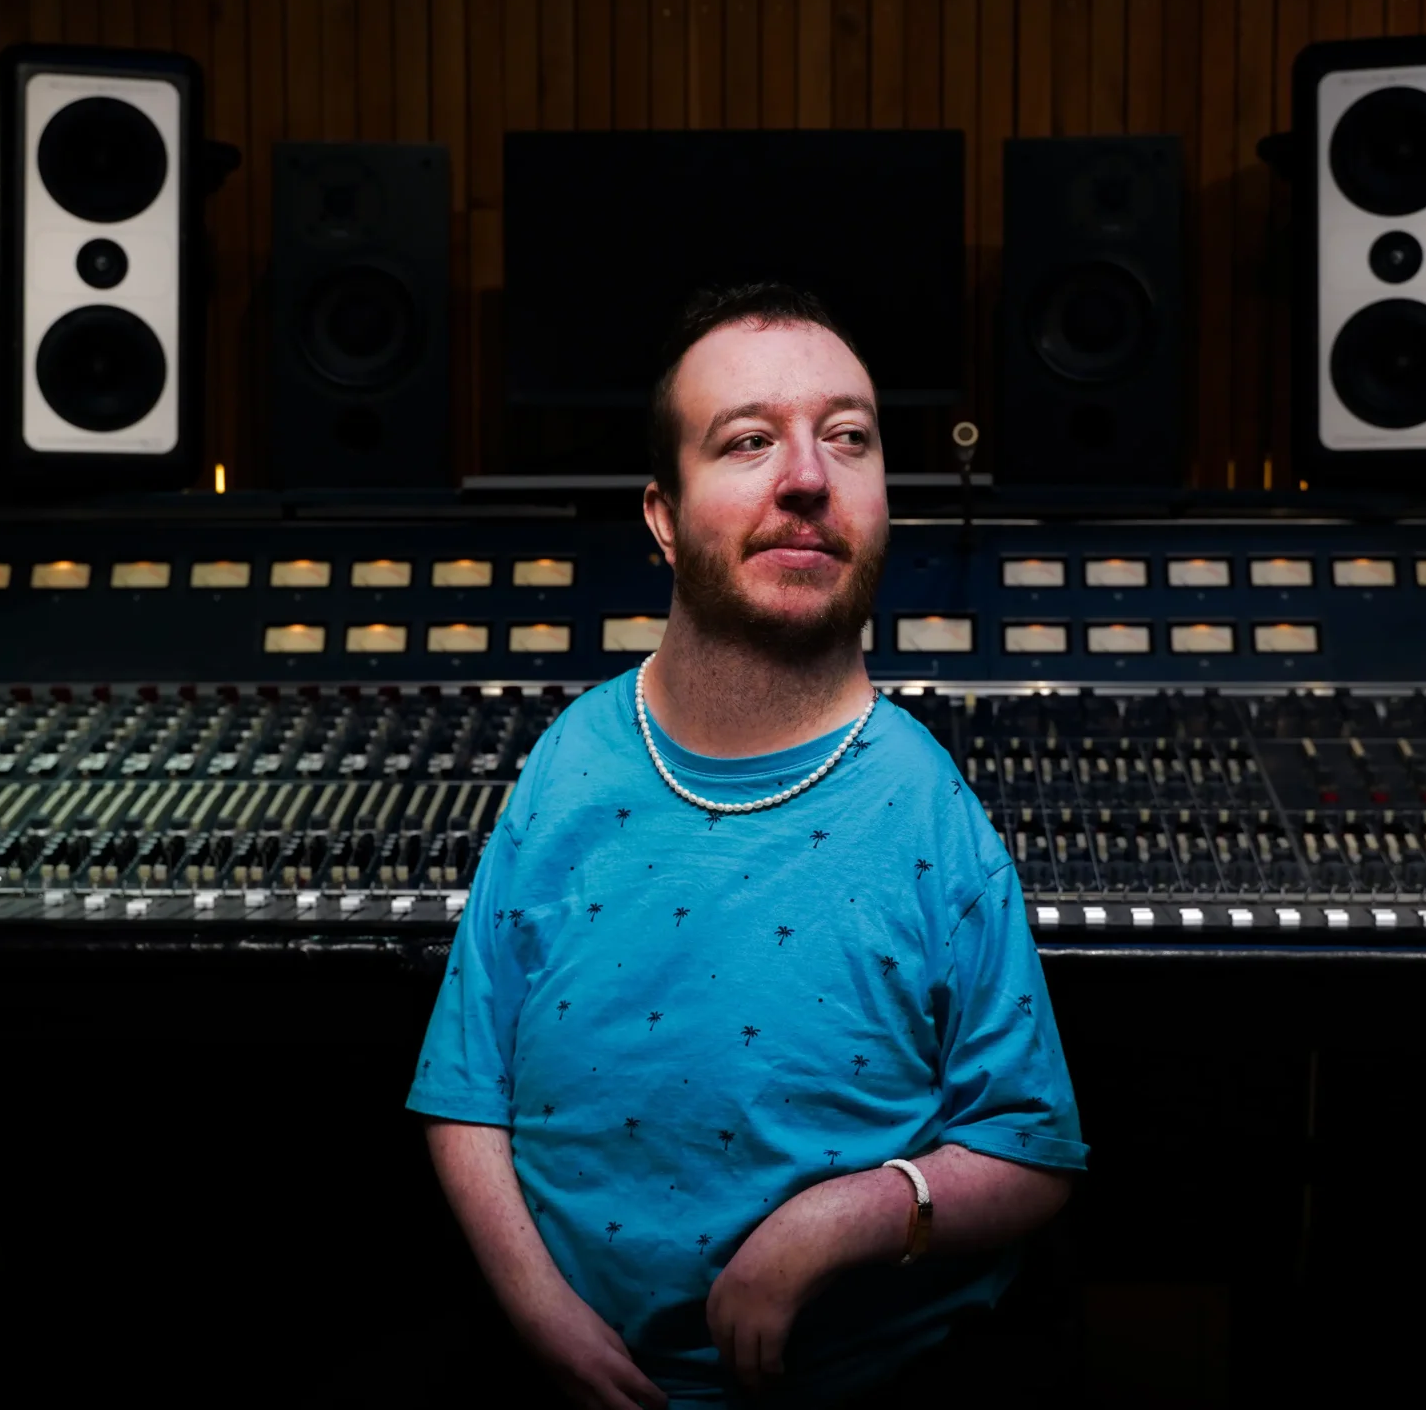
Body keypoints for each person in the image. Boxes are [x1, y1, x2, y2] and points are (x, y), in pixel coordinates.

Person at [407, 284, 1086, 1407]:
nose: (808, 477)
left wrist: (840, 1220)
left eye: (849, 438)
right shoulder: (570, 761)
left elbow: (1029, 1151)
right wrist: (543, 1317)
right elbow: (464, 1091)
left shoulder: (928, 808)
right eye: (749, 440)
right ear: (663, 517)